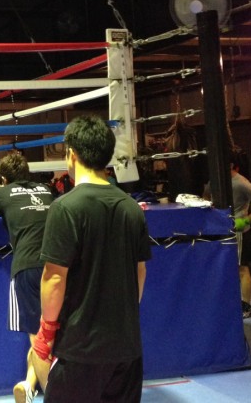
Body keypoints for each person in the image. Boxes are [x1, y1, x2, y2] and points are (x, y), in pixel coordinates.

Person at [35, 115, 151, 403]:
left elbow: (54, 276)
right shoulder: (132, 208)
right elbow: (140, 273)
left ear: (72, 154)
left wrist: (46, 331)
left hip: (80, 349)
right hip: (126, 349)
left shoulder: (66, 207)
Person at [0, 152, 53, 403]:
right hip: (58, 266)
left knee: (38, 337)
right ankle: (29, 384)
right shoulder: (47, 190)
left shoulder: (3, 193)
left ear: (4, 178)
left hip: (28, 267)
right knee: (51, 333)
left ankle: (54, 395)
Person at [203, 151, 251, 318]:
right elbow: (206, 195)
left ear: (231, 165)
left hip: (238, 231)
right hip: (220, 230)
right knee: (225, 267)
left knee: (241, 269)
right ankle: (230, 303)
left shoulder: (241, 183)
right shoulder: (215, 181)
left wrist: (246, 220)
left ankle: (246, 307)